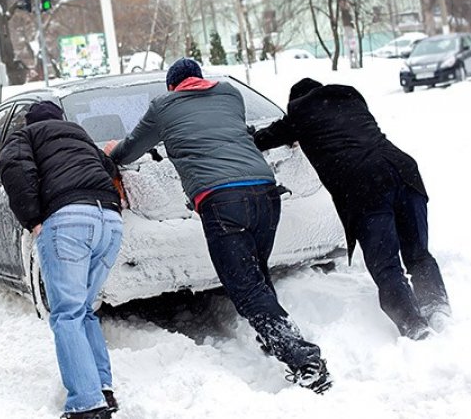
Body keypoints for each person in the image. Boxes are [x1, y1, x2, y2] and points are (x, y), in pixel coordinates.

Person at [104, 58, 331, 393]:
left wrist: (112, 151)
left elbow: (129, 150)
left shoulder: (163, 106)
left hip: (222, 201)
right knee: (256, 272)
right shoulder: (230, 93)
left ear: (172, 86)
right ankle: (274, 336)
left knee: (245, 287)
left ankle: (302, 357)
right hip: (266, 194)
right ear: (200, 79)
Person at [254, 78, 450, 339]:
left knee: (386, 263)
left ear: (295, 101)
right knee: (417, 252)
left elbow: (263, 139)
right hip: (404, 170)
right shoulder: (350, 97)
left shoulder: (299, 113)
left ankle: (414, 326)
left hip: (366, 184)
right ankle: (436, 306)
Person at [0, 101, 123, 419]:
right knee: (84, 310)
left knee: (67, 314)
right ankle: (102, 390)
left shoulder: (25, 136)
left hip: (68, 221)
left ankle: (86, 403)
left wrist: (32, 217)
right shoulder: (80, 135)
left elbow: (14, 167)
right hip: (109, 220)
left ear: (30, 121)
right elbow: (109, 169)